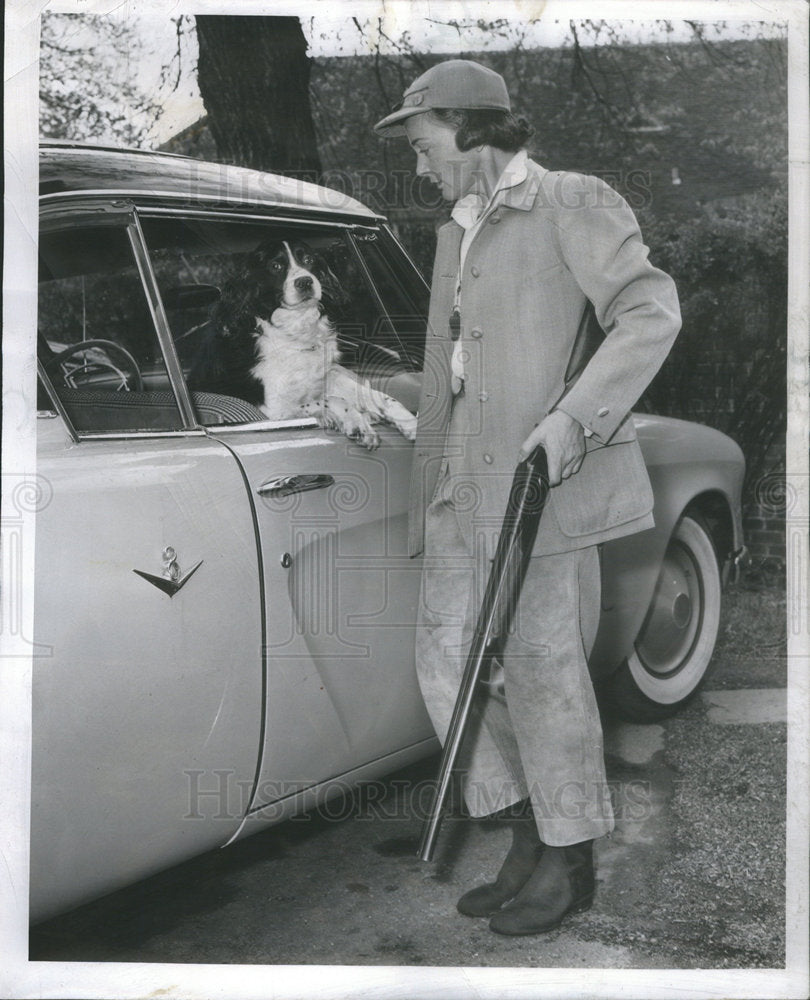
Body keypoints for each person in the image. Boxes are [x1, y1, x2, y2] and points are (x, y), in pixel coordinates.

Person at [374, 59, 681, 936]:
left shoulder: (572, 201)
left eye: (424, 142)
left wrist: (575, 419)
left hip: (538, 480)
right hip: (457, 480)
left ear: (468, 128)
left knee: (542, 671)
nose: (419, 163)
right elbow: (460, 364)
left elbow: (650, 310)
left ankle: (572, 856)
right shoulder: (457, 228)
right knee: (448, 663)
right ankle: (522, 829)